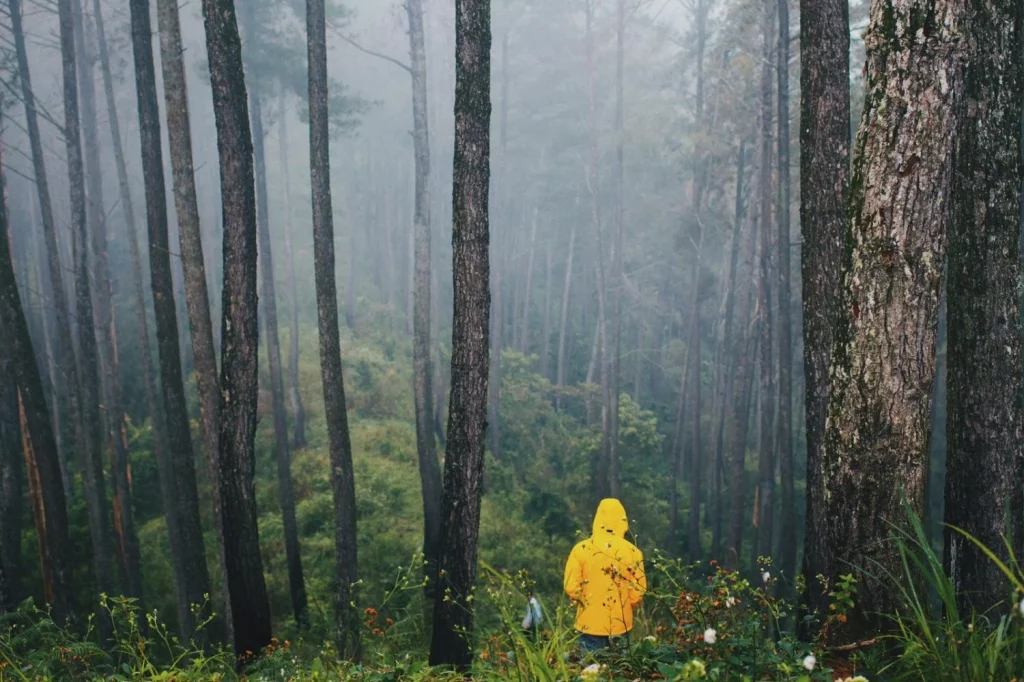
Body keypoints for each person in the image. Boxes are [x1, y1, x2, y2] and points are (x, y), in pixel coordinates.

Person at [563, 498, 646, 654]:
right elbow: (638, 591)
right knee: (619, 667)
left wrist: (585, 602)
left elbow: (571, 586)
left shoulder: (581, 549)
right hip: (621, 624)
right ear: (623, 521)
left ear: (597, 519)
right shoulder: (633, 552)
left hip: (589, 623)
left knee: (591, 667)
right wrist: (627, 604)